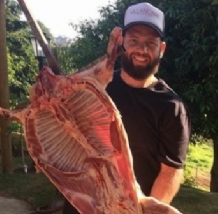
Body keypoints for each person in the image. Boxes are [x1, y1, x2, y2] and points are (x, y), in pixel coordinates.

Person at [62, 2, 191, 213]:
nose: (142, 50)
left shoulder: (172, 108)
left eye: (151, 42)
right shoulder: (96, 88)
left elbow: (170, 172)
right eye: (134, 40)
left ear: (162, 49)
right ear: (122, 42)